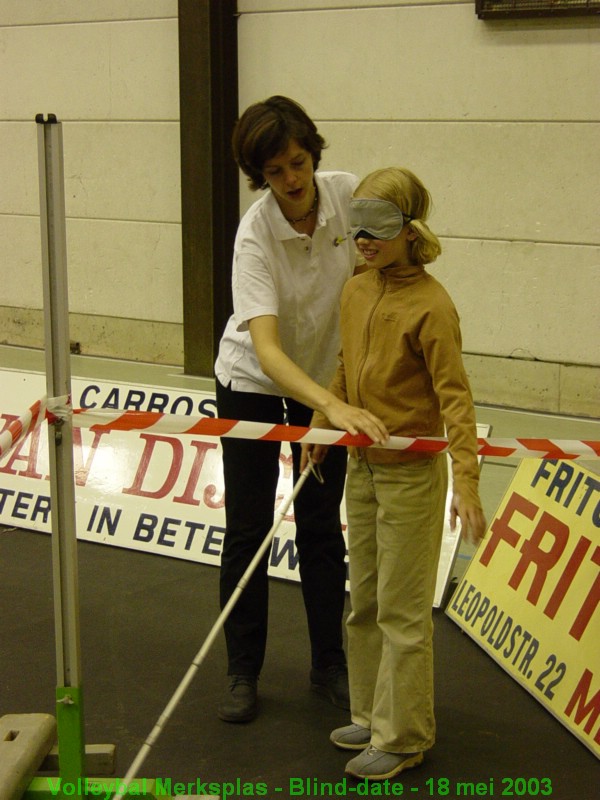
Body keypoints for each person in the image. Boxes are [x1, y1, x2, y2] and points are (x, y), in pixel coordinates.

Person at [304, 167, 487, 779]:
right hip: (361, 464)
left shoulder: (433, 306)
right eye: (356, 226)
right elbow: (343, 366)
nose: (363, 239)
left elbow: (456, 399)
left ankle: (404, 736)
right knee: (366, 602)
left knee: (404, 614)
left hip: (410, 476)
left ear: (410, 230)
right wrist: (323, 424)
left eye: (378, 227)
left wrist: (466, 480)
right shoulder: (357, 289)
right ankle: (372, 714)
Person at [213, 96, 388, 723]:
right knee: (249, 528)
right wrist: (329, 405)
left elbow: (395, 250)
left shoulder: (347, 196)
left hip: (324, 388)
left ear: (313, 152)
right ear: (260, 175)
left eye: (299, 162)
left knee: (319, 527)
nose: (293, 180)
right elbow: (266, 346)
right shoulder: (254, 234)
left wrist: (330, 401)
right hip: (254, 386)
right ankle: (241, 671)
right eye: (277, 171)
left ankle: (329, 666)